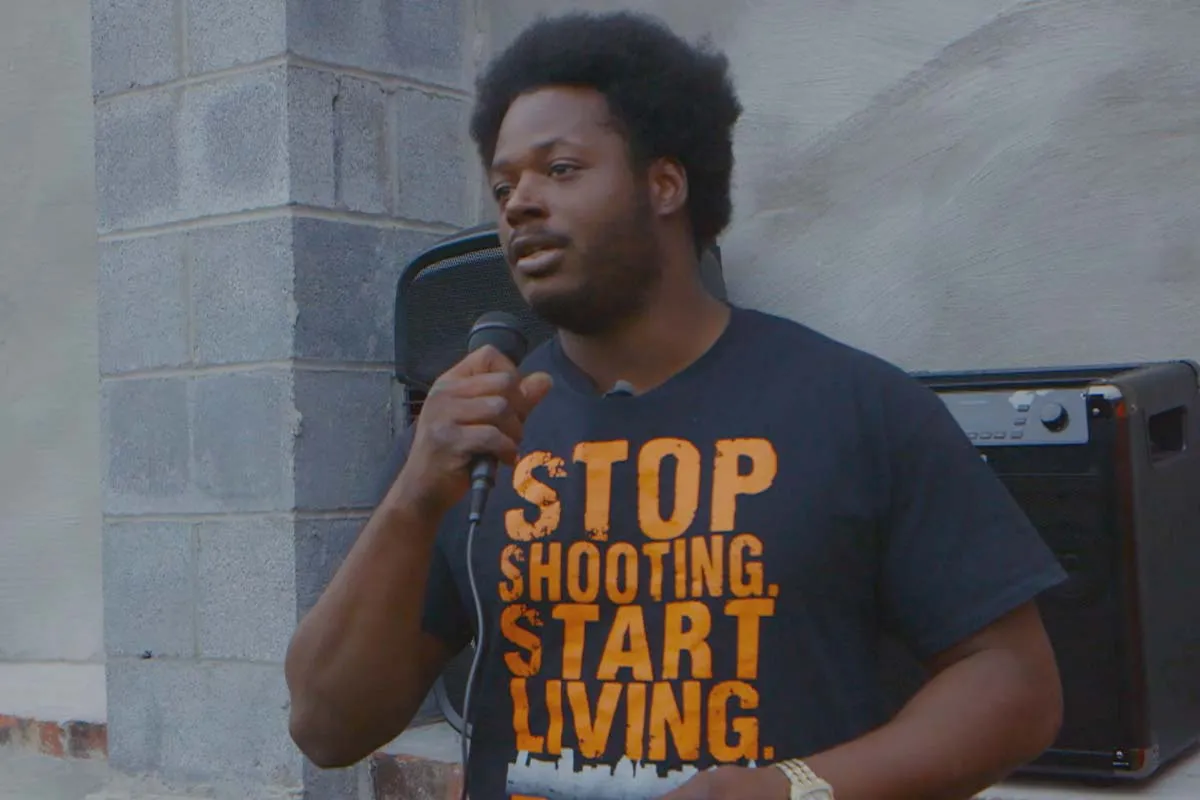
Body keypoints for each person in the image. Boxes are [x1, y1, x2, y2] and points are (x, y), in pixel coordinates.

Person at [284, 10, 1066, 799]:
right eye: (503, 183)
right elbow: (325, 727)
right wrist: (414, 499)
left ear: (665, 183)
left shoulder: (858, 407)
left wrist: (790, 788)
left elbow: (1013, 687)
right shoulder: (470, 437)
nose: (518, 202)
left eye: (559, 169)